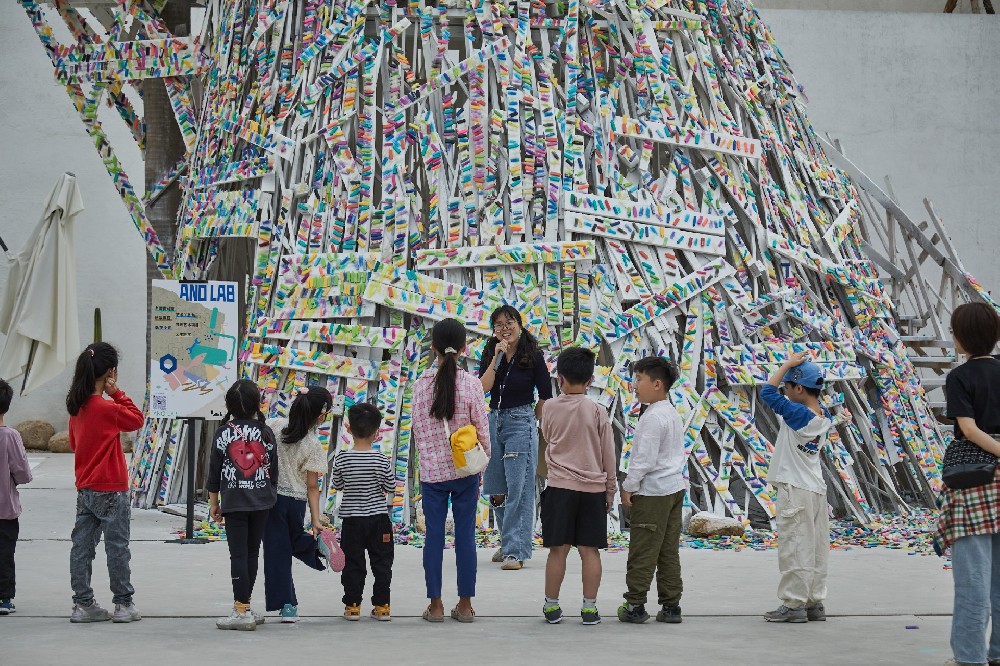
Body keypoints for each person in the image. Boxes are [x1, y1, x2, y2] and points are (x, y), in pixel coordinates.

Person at [934, 302, 1000, 666]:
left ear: (962, 337)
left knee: (972, 576)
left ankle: (969, 655)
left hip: (975, 478)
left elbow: (970, 430)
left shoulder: (959, 377)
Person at [412, 318, 491, 622]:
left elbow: (418, 433)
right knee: (465, 538)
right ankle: (466, 606)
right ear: (464, 348)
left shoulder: (420, 386)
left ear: (432, 347)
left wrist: (431, 460)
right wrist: (481, 465)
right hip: (465, 473)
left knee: (433, 537)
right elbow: (483, 432)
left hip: (433, 476)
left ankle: (435, 606)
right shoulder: (471, 384)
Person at [66, 342, 145, 623]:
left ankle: (82, 603)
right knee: (117, 547)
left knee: (82, 547)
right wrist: (117, 393)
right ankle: (123, 604)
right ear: (111, 371)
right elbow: (137, 419)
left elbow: (75, 443)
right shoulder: (106, 407)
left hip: (85, 486)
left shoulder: (77, 407)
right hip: (111, 486)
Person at [539, 347, 616, 625]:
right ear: (591, 379)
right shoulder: (597, 411)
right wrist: (610, 489)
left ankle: (551, 606)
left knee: (558, 550)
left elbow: (547, 436)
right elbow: (609, 453)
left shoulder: (548, 408)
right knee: (589, 551)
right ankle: (589, 608)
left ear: (559, 379)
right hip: (593, 490)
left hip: (559, 488)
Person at [759, 351, 833, 623]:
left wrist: (787, 364)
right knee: (815, 547)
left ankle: (794, 604)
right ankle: (815, 601)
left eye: (788, 387)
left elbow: (767, 393)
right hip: (815, 487)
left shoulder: (797, 413)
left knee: (795, 545)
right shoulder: (821, 413)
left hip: (795, 489)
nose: (785, 391)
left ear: (799, 388)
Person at [479, 305, 552, 571]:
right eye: (498, 325)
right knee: (497, 489)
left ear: (519, 324)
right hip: (494, 419)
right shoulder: (492, 351)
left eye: (509, 323)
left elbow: (545, 393)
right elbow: (483, 388)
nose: (504, 328)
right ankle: (508, 541)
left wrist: (531, 419)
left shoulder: (532, 353)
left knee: (518, 489)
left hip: (520, 421)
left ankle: (516, 551)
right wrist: (494, 359)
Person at [617, 356, 685, 625]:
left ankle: (635, 604)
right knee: (668, 551)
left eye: (639, 379)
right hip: (674, 489)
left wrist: (628, 486)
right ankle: (671, 605)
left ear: (657, 384)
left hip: (652, 492)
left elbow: (643, 460)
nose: (635, 385)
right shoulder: (671, 413)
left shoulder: (652, 417)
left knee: (643, 549)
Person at [208, 379, 278, 631]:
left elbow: (214, 472)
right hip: (261, 502)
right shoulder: (266, 432)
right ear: (257, 404)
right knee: (251, 553)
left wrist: (214, 503)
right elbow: (274, 472)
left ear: (228, 405)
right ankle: (244, 605)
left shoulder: (223, 433)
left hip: (234, 502)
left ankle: (241, 612)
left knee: (237, 555)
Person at [263, 385, 338, 623]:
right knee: (292, 539)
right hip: (295, 502)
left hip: (270, 500)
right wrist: (316, 520)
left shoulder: (273, 427)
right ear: (320, 416)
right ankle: (316, 547)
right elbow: (313, 487)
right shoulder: (313, 445)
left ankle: (287, 604)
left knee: (277, 552)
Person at [331, 403, 395, 621]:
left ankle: (352, 606)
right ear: (377, 432)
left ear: (348, 429)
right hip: (378, 520)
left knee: (353, 563)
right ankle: (382, 606)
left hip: (352, 521)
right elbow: (390, 485)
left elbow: (337, 484)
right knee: (382, 563)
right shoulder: (380, 459)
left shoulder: (342, 458)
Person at [0, 378, 32, 615]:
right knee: (4, 553)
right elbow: (22, 473)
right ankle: (3, 598)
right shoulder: (10, 436)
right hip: (4, 508)